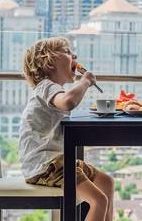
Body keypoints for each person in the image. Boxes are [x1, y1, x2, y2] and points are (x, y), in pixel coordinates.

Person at [19, 37, 114, 221]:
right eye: (68, 52)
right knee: (98, 200)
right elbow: (68, 102)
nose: (74, 55)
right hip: (45, 165)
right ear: (49, 62)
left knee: (106, 183)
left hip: (59, 161)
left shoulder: (54, 89)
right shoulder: (46, 87)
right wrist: (85, 81)